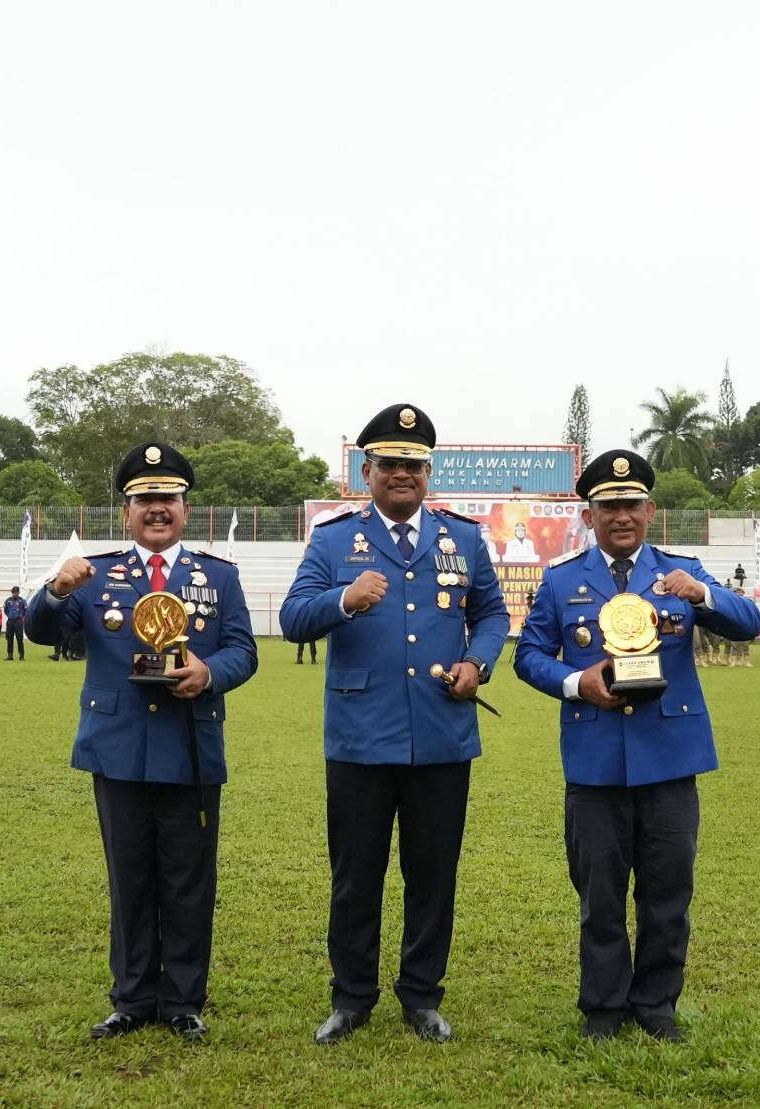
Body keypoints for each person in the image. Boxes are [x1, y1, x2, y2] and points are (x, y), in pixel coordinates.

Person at [281, 403, 510, 1046]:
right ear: (368, 469)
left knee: (433, 875)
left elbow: (493, 615)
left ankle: (421, 995)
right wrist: (341, 599)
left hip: (441, 734)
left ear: (427, 470)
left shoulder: (462, 537)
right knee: (356, 877)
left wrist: (477, 662)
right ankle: (351, 997)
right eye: (390, 463)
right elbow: (294, 619)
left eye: (414, 463)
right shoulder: (332, 539)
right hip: (360, 735)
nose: (403, 473)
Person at [514, 449, 759, 1041]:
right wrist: (577, 683)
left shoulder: (683, 569)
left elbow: (750, 623)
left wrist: (701, 595)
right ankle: (603, 1006)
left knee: (667, 891)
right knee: (599, 894)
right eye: (608, 506)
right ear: (589, 515)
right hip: (595, 759)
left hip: (670, 757)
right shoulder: (562, 580)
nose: (621, 515)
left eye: (631, 504)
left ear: (649, 510)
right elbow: (528, 657)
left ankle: (656, 1005)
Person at [27, 442, 259, 1044]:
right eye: (145, 500)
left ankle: (183, 999)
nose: (158, 509)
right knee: (129, 878)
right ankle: (131, 998)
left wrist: (209, 673)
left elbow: (243, 650)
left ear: (185, 509)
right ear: (127, 511)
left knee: (188, 878)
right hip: (120, 746)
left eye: (168, 499)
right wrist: (55, 589)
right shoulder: (94, 573)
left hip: (190, 744)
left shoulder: (218, 575)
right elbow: (42, 633)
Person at [3, 587, 26, 660]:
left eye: (16, 593)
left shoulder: (22, 601)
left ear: (18, 593)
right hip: (10, 621)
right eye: (13, 593)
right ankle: (10, 655)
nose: (15, 594)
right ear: (12, 593)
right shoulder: (8, 600)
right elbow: (5, 610)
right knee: (9, 639)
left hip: (18, 621)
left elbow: (25, 610)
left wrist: (21, 618)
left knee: (19, 639)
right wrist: (9, 616)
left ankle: (21, 656)